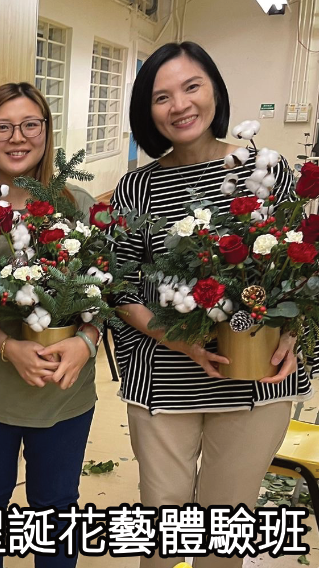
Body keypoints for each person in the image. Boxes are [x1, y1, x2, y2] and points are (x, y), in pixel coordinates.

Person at [110, 41, 311, 568]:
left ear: (215, 91)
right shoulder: (137, 187)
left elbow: (301, 268)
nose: (179, 105)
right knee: (163, 529)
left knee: (225, 527)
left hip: (256, 377)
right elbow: (119, 287)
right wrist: (179, 340)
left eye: (191, 87)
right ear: (147, 110)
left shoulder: (266, 169)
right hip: (163, 379)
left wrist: (292, 335)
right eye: (162, 96)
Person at [0, 82, 100, 568]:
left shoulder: (78, 204)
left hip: (64, 390)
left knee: (57, 508)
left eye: (30, 124)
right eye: (3, 127)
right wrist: (8, 347)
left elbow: (106, 292)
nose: (18, 137)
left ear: (46, 132)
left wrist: (87, 342)